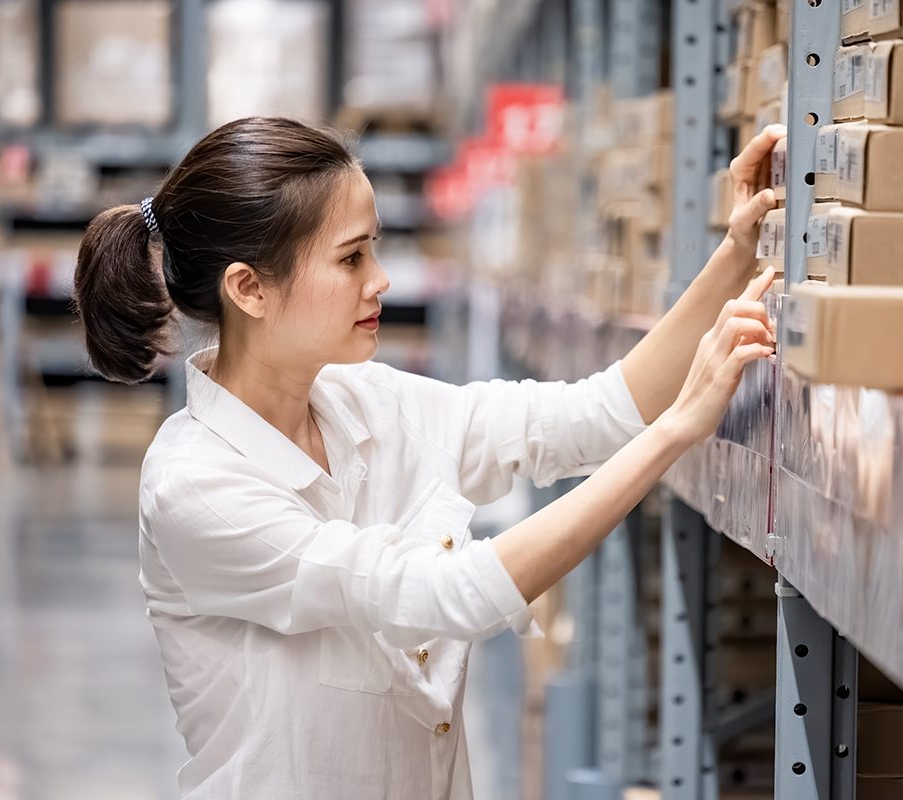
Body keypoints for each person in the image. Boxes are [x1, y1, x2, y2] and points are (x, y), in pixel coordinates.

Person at [73, 116, 784, 799]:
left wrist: (737, 253)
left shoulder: (367, 401)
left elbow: (595, 414)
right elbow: (452, 594)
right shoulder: (196, 484)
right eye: (351, 257)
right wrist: (676, 433)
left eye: (374, 249)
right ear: (249, 289)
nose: (380, 279)